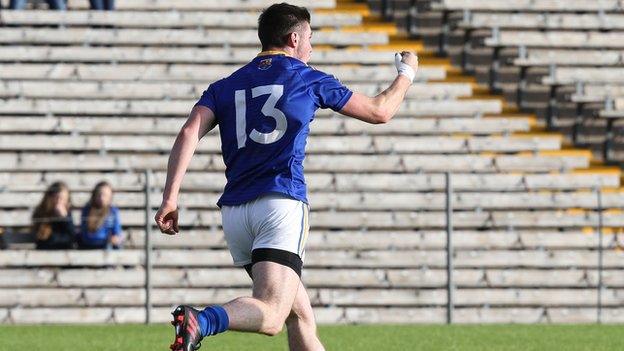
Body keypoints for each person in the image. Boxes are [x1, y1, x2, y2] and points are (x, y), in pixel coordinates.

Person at [154, 3, 418, 350]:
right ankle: (202, 320)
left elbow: (190, 131)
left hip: (235, 214)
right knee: (273, 314)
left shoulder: (226, 85)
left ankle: (205, 321)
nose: (311, 46)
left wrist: (170, 198)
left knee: (300, 316)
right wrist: (407, 73)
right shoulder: (306, 77)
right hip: (279, 203)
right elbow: (380, 111)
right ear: (294, 38)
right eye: (309, 37)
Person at [78, 181, 123, 250]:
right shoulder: (87, 210)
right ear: (94, 195)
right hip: (89, 246)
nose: (101, 198)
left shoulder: (113, 211)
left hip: (107, 247)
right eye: (99, 195)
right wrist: (104, 239)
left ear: (110, 197)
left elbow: (117, 232)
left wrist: (116, 239)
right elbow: (85, 236)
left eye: (105, 195)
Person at [32, 181, 75, 250]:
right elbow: (42, 238)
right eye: (57, 198)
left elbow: (71, 237)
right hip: (45, 250)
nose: (59, 201)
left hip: (64, 251)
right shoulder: (41, 211)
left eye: (63, 199)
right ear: (50, 197)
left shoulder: (67, 212)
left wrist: (65, 219)